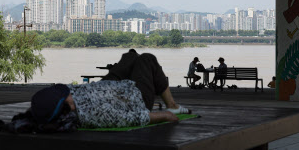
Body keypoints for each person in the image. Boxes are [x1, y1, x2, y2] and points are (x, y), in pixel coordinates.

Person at [30, 50, 191, 129]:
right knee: (146, 59)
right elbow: (132, 118)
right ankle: (172, 105)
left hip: (106, 86)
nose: (70, 91)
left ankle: (132, 61)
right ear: (69, 107)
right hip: (134, 97)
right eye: (67, 95)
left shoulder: (69, 95)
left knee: (131, 56)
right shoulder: (95, 114)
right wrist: (163, 115)